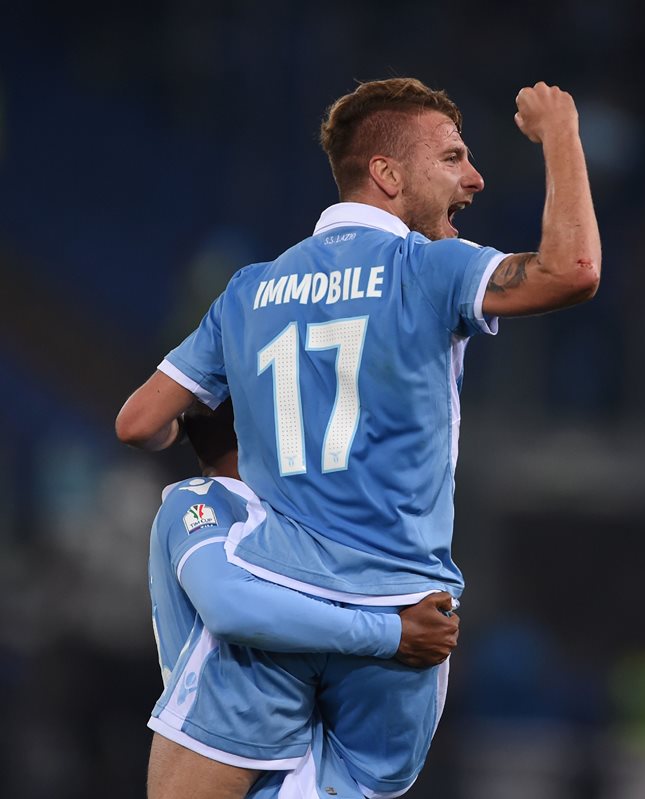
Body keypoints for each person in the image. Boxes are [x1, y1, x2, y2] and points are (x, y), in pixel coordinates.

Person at [116, 77, 601, 797]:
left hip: (275, 598)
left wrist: (215, 453)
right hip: (402, 612)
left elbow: (139, 422)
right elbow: (574, 270)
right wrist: (561, 129)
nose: (474, 176)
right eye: (453, 157)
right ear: (386, 173)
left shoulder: (250, 290)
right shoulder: (429, 266)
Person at [149, 399, 458, 799]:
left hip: (304, 757)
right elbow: (228, 604)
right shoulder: (203, 497)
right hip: (234, 756)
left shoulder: (294, 521)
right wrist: (392, 633)